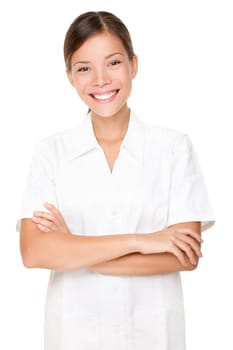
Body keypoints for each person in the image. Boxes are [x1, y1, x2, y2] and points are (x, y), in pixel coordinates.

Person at [18, 11, 215, 350]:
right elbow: (34, 252)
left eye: (113, 63)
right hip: (74, 335)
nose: (100, 80)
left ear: (133, 65)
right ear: (69, 76)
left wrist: (74, 247)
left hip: (153, 334)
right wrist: (144, 240)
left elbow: (186, 256)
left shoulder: (173, 148)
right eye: (84, 68)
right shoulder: (51, 152)